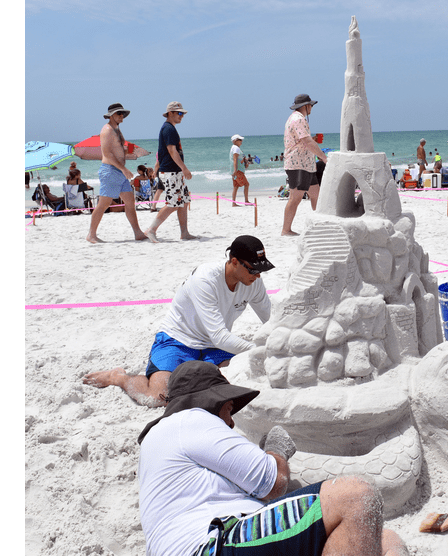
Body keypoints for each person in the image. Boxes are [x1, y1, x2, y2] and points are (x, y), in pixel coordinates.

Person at [136, 361, 409, 556]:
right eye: (228, 409)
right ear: (209, 402)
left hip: (215, 541)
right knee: (355, 496)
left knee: (384, 538)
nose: (230, 423)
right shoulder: (189, 420)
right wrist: (277, 450)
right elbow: (274, 482)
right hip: (209, 545)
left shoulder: (163, 441)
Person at [83, 235, 274, 406]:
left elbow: (272, 320)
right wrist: (260, 349)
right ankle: (118, 377)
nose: (258, 276)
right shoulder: (205, 279)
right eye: (253, 270)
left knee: (239, 381)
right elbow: (220, 336)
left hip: (214, 347)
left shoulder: (254, 282)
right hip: (178, 340)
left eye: (261, 271)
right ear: (234, 262)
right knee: (157, 397)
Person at [86, 103, 147, 243]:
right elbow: (107, 154)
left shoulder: (117, 129)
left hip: (119, 171)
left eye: (122, 114)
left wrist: (132, 150)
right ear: (111, 115)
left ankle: (137, 232)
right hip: (111, 171)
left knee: (130, 201)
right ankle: (91, 235)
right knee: (103, 204)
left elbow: (120, 149)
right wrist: (124, 169)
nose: (122, 116)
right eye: (119, 114)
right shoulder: (106, 130)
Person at [144, 101, 198, 242]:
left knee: (184, 201)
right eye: (179, 113)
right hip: (170, 172)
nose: (182, 116)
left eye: (183, 113)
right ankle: (151, 230)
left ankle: (184, 233)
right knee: (173, 203)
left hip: (174, 172)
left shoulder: (171, 128)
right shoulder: (168, 129)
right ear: (170, 113)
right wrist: (184, 168)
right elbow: (172, 151)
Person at [282, 94, 327, 236]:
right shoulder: (298, 119)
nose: (312, 108)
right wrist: (323, 157)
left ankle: (319, 225)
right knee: (295, 198)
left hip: (306, 165)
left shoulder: (295, 119)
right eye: (311, 105)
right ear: (306, 106)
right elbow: (307, 142)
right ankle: (286, 230)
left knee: (315, 194)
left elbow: (303, 140)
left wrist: (312, 140)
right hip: (298, 164)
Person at [230, 134, 250, 207]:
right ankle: (246, 201)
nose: (241, 141)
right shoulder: (236, 148)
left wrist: (245, 161)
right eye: (240, 140)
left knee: (236, 186)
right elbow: (235, 159)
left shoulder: (234, 148)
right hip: (238, 170)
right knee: (246, 184)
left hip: (235, 170)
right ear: (235, 141)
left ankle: (233, 203)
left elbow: (238, 159)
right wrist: (235, 170)